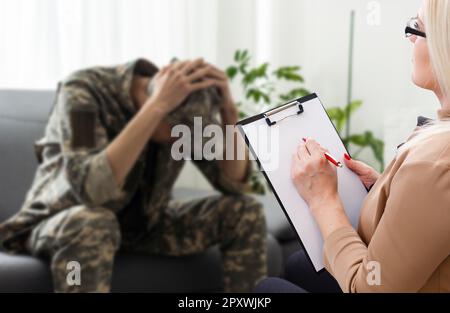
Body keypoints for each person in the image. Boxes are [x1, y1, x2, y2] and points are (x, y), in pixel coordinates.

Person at [0, 58, 267, 292]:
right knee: (93, 222)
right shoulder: (82, 93)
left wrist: (229, 113)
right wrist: (155, 108)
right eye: (174, 133)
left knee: (244, 211)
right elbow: (91, 189)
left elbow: (234, 185)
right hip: (64, 221)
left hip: (143, 225)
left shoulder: (186, 112)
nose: (180, 141)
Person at [255, 0, 450, 293]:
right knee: (299, 264)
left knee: (268, 289)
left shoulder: (435, 162)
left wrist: (323, 199)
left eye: (418, 28)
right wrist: (386, 187)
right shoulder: (436, 144)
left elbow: (369, 288)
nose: (409, 37)